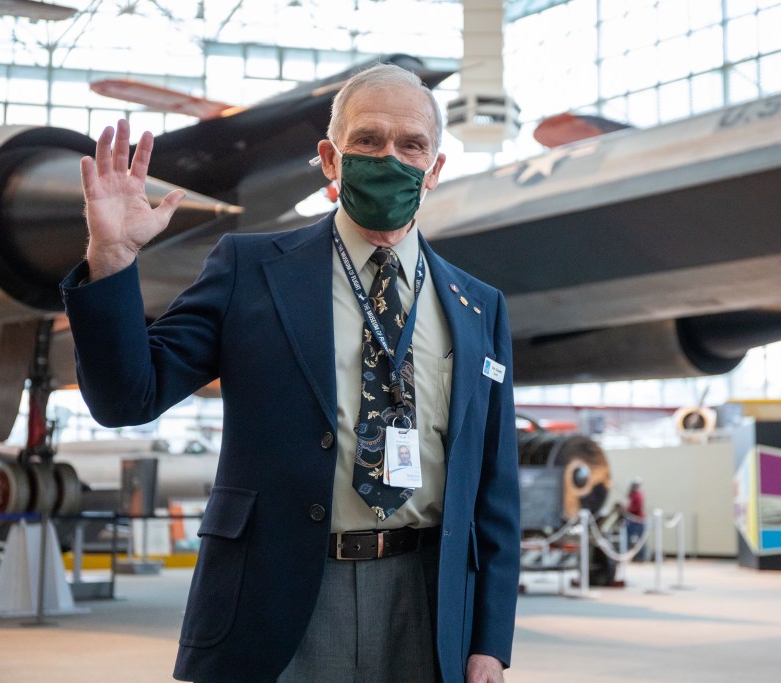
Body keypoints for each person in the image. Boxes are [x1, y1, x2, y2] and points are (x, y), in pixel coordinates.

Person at [61, 63, 520, 683]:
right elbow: (128, 398)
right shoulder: (249, 269)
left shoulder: (478, 305)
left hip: (429, 601)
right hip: (278, 600)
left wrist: (489, 640)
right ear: (330, 160)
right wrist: (111, 260)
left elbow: (495, 492)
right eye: (367, 141)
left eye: (411, 145)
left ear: (434, 169)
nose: (390, 158)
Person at [626, 477, 646, 562]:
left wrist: (627, 509)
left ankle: (641, 557)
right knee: (628, 539)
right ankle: (631, 556)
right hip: (632, 520)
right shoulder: (631, 495)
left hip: (638, 521)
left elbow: (635, 508)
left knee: (640, 540)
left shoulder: (638, 495)